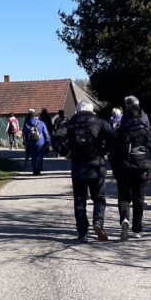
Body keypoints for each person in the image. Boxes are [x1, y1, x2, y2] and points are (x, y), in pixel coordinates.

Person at [57, 101, 116, 242]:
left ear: (77, 110)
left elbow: (56, 137)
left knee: (80, 201)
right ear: (92, 110)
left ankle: (83, 233)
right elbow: (113, 137)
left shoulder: (70, 123)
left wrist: (66, 152)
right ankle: (98, 222)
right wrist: (104, 151)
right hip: (96, 166)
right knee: (99, 197)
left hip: (78, 167)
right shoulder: (100, 122)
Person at [110, 101, 151, 239]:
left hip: (124, 170)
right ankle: (137, 229)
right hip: (142, 170)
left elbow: (113, 154)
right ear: (140, 116)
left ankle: (124, 219)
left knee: (124, 197)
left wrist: (115, 169)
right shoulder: (147, 132)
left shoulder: (120, 132)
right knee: (139, 199)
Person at [23, 108, 50, 175]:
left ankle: (34, 170)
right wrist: (47, 142)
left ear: (32, 116)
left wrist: (25, 143)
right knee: (40, 156)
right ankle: (38, 166)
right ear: (38, 116)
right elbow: (45, 133)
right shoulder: (41, 123)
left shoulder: (28, 123)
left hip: (31, 142)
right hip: (40, 142)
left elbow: (25, 134)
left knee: (33, 156)